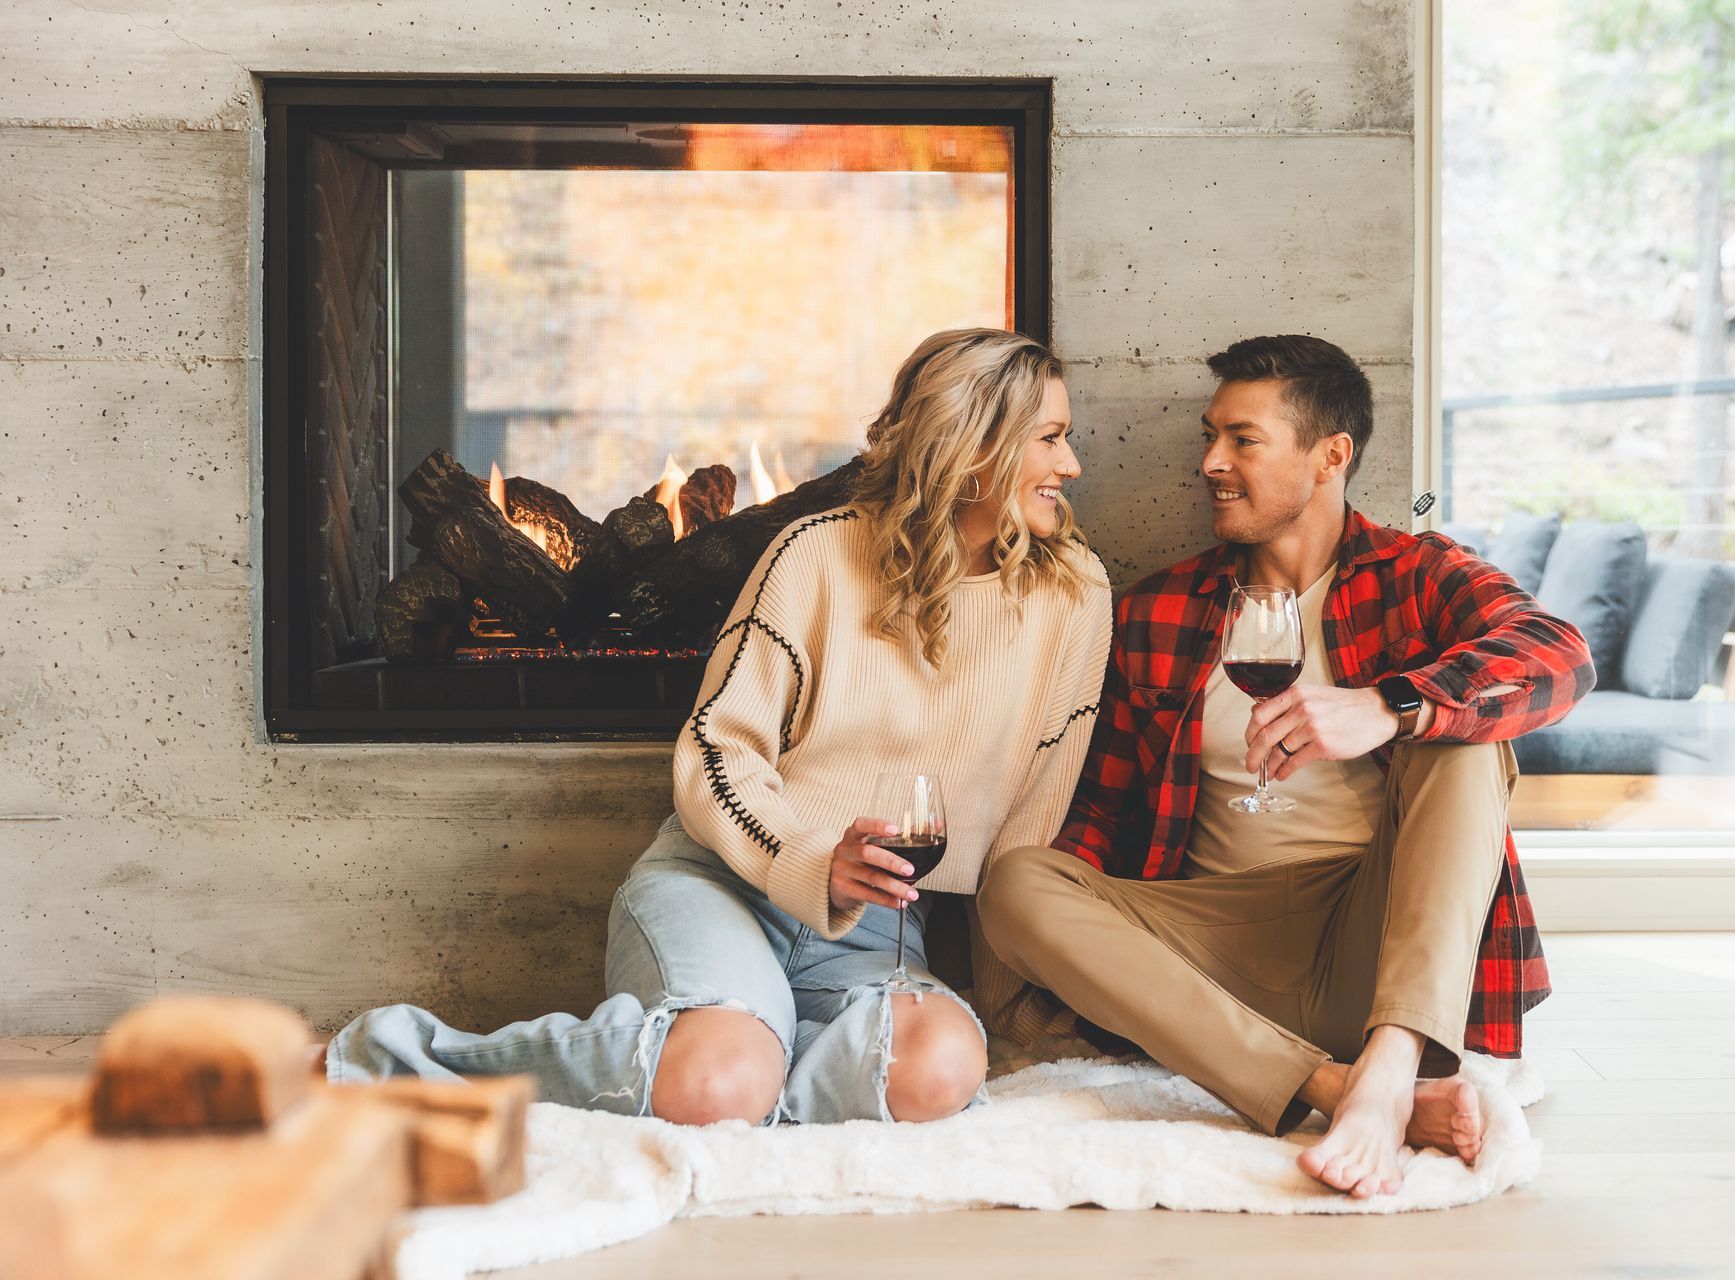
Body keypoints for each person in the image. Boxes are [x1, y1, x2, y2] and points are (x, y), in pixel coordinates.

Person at [330, 328, 1111, 1125]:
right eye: (1049, 439)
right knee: (720, 1081)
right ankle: (387, 1058)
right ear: (975, 444)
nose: (1071, 465)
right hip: (725, 887)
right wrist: (813, 862)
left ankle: (747, 1061)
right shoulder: (816, 554)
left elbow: (1025, 835)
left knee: (941, 1068)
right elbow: (716, 751)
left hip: (880, 938)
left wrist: (1012, 1010)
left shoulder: (1075, 596)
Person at [977, 334, 1594, 1195]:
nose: (1210, 463)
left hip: (1375, 938)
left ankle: (1392, 1063)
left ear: (1329, 457)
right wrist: (1040, 952)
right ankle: (1336, 1090)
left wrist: (1388, 706)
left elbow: (1558, 655)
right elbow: (1100, 815)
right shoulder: (1159, 610)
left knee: (1464, 741)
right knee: (1017, 881)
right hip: (1210, 951)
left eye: (1243, 440)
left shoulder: (1416, 576)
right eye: (1210, 437)